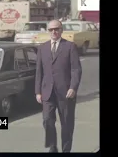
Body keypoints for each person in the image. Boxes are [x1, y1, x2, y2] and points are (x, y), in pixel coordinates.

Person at [35, 20, 82, 153]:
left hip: (66, 92)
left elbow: (76, 70)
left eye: (56, 29)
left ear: (61, 30)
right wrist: (38, 91)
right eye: (51, 30)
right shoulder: (42, 48)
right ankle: (52, 147)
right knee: (47, 120)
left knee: (66, 124)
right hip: (47, 92)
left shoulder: (70, 46)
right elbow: (39, 71)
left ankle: (66, 150)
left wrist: (73, 87)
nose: (54, 32)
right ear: (48, 31)